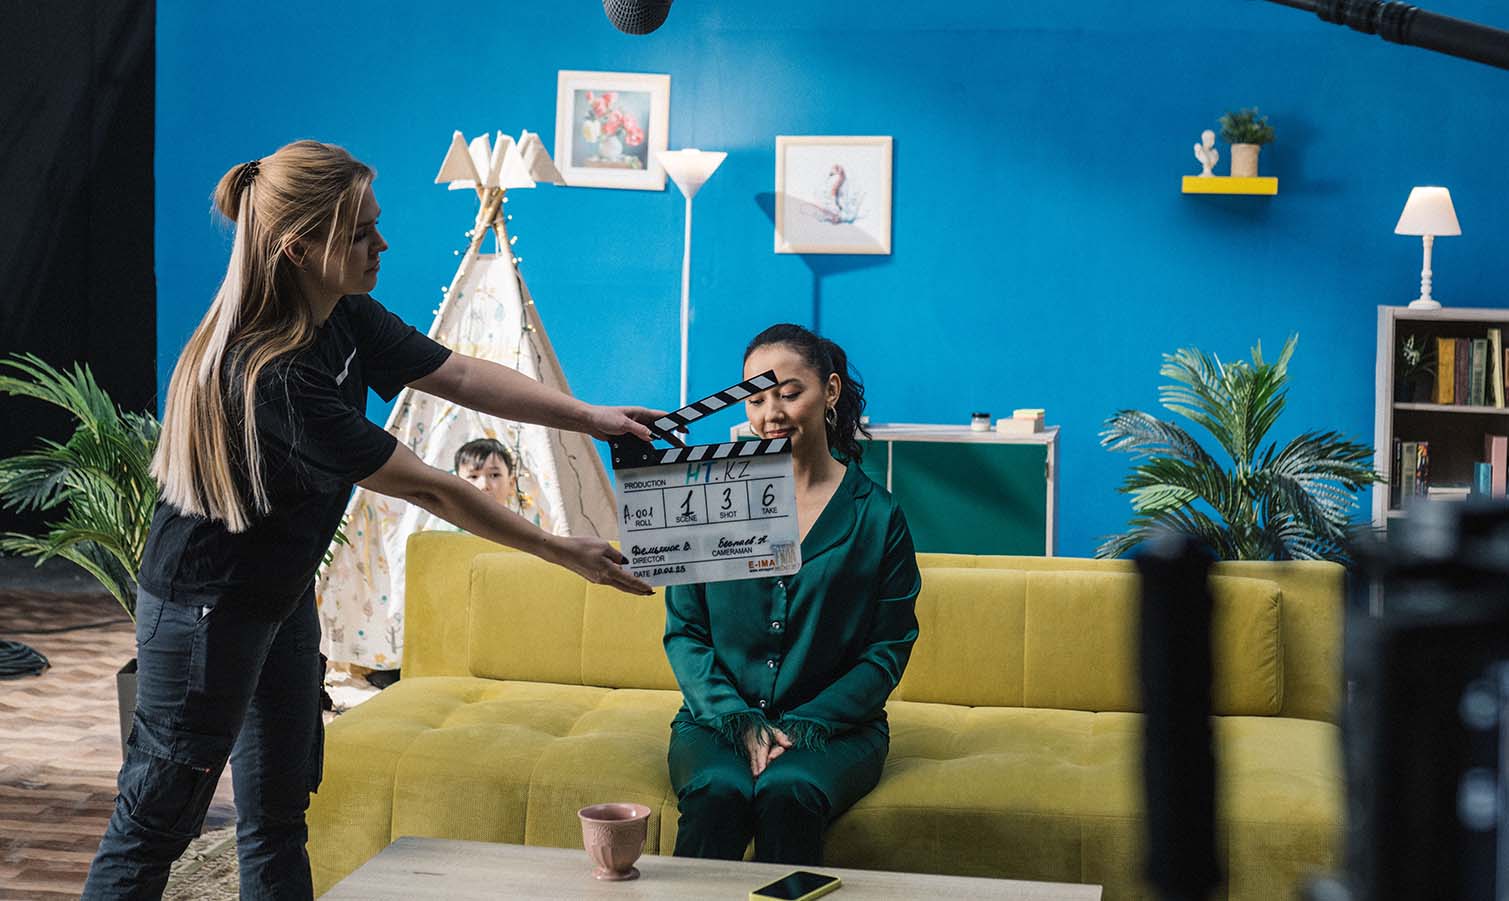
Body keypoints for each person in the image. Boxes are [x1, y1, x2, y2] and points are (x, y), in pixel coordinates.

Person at [82, 140, 657, 900]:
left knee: (279, 811)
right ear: (298, 250)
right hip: (206, 611)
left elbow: (458, 372)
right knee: (154, 822)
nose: (381, 244)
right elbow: (431, 488)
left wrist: (591, 415)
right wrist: (561, 549)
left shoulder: (343, 314)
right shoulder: (274, 374)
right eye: (359, 233)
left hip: (281, 597)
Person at [663, 323, 922, 866]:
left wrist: (807, 725)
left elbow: (888, 647)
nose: (771, 414)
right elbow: (685, 631)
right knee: (718, 792)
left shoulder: (879, 516)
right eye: (756, 399)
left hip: (837, 731)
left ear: (830, 391)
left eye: (788, 393)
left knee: (788, 792)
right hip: (716, 722)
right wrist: (737, 718)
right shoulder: (709, 496)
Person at [454, 437, 550, 531]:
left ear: (511, 483)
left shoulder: (525, 531)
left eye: (494, 475)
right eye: (473, 476)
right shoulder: (449, 530)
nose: (484, 485)